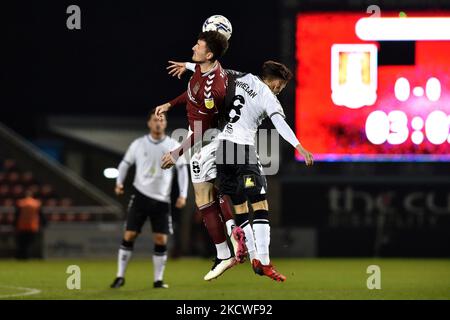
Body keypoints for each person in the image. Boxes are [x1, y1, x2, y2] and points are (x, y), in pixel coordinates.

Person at [155, 31, 247, 282]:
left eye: (198, 45)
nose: (193, 46)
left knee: (203, 198)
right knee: (213, 192)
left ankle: (223, 253)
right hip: (214, 139)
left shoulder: (213, 89)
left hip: (209, 141)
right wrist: (170, 104)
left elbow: (201, 129)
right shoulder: (203, 68)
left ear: (209, 54)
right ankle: (233, 229)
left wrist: (176, 153)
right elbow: (191, 93)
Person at [110, 109, 189, 289]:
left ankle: (158, 280)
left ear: (166, 124)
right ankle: (119, 276)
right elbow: (125, 164)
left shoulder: (172, 145)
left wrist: (183, 195)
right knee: (129, 234)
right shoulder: (138, 144)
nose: (158, 123)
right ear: (149, 123)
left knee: (161, 239)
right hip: (140, 196)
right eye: (155, 120)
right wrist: (119, 183)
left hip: (162, 200)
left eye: (161, 120)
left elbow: (183, 169)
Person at [15, 190, 46, 259]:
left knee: (21, 243)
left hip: (22, 226)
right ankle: (27, 256)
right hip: (32, 226)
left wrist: (14, 224)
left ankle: (21, 257)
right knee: (29, 243)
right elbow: (41, 215)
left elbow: (17, 215)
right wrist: (44, 223)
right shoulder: (36, 203)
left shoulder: (21, 203)